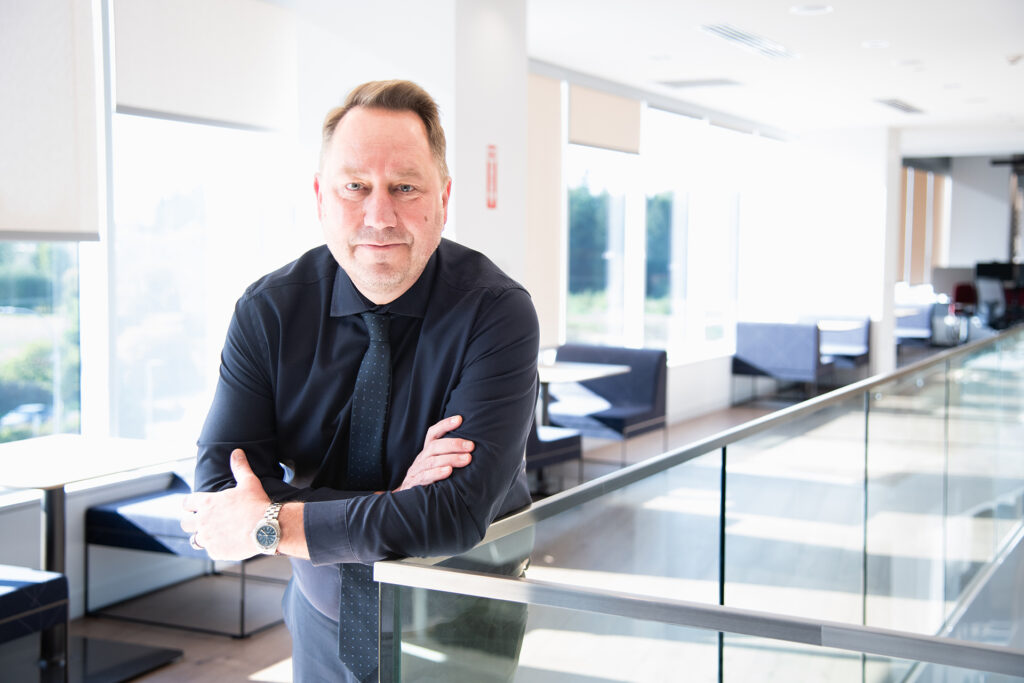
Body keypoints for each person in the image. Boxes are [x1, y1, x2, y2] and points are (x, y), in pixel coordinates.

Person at [180, 79, 538, 681]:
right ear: (321, 195)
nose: (379, 215)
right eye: (355, 187)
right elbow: (220, 492)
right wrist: (398, 504)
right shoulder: (268, 311)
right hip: (322, 617)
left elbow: (451, 517)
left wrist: (270, 522)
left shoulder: (496, 312)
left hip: (463, 621)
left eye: (405, 187)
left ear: (443, 198)